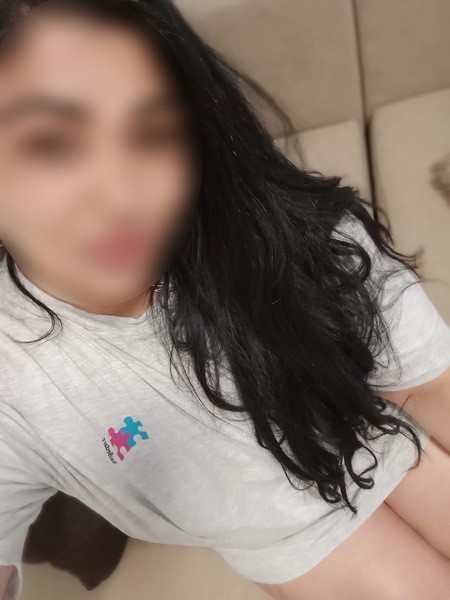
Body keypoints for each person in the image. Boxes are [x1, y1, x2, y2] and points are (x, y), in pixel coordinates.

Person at [0, 1, 449, 599]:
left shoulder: (280, 227)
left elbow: (432, 388)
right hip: (292, 540)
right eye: (51, 145)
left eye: (152, 131)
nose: (122, 196)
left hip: (376, 428)